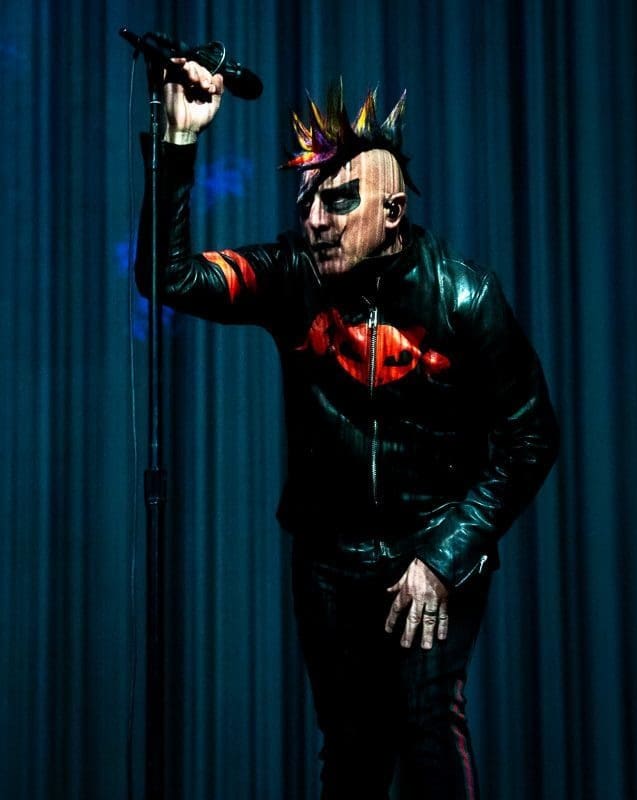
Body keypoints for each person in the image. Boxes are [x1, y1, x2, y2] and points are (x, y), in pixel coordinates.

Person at [135, 61, 559, 799]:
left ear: (392, 211)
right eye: (307, 202)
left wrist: (444, 556)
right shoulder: (292, 277)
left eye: (338, 201)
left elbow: (532, 439)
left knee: (428, 726)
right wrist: (177, 141)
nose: (315, 221)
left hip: (432, 547)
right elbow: (167, 277)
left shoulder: (464, 297)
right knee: (352, 748)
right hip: (328, 560)